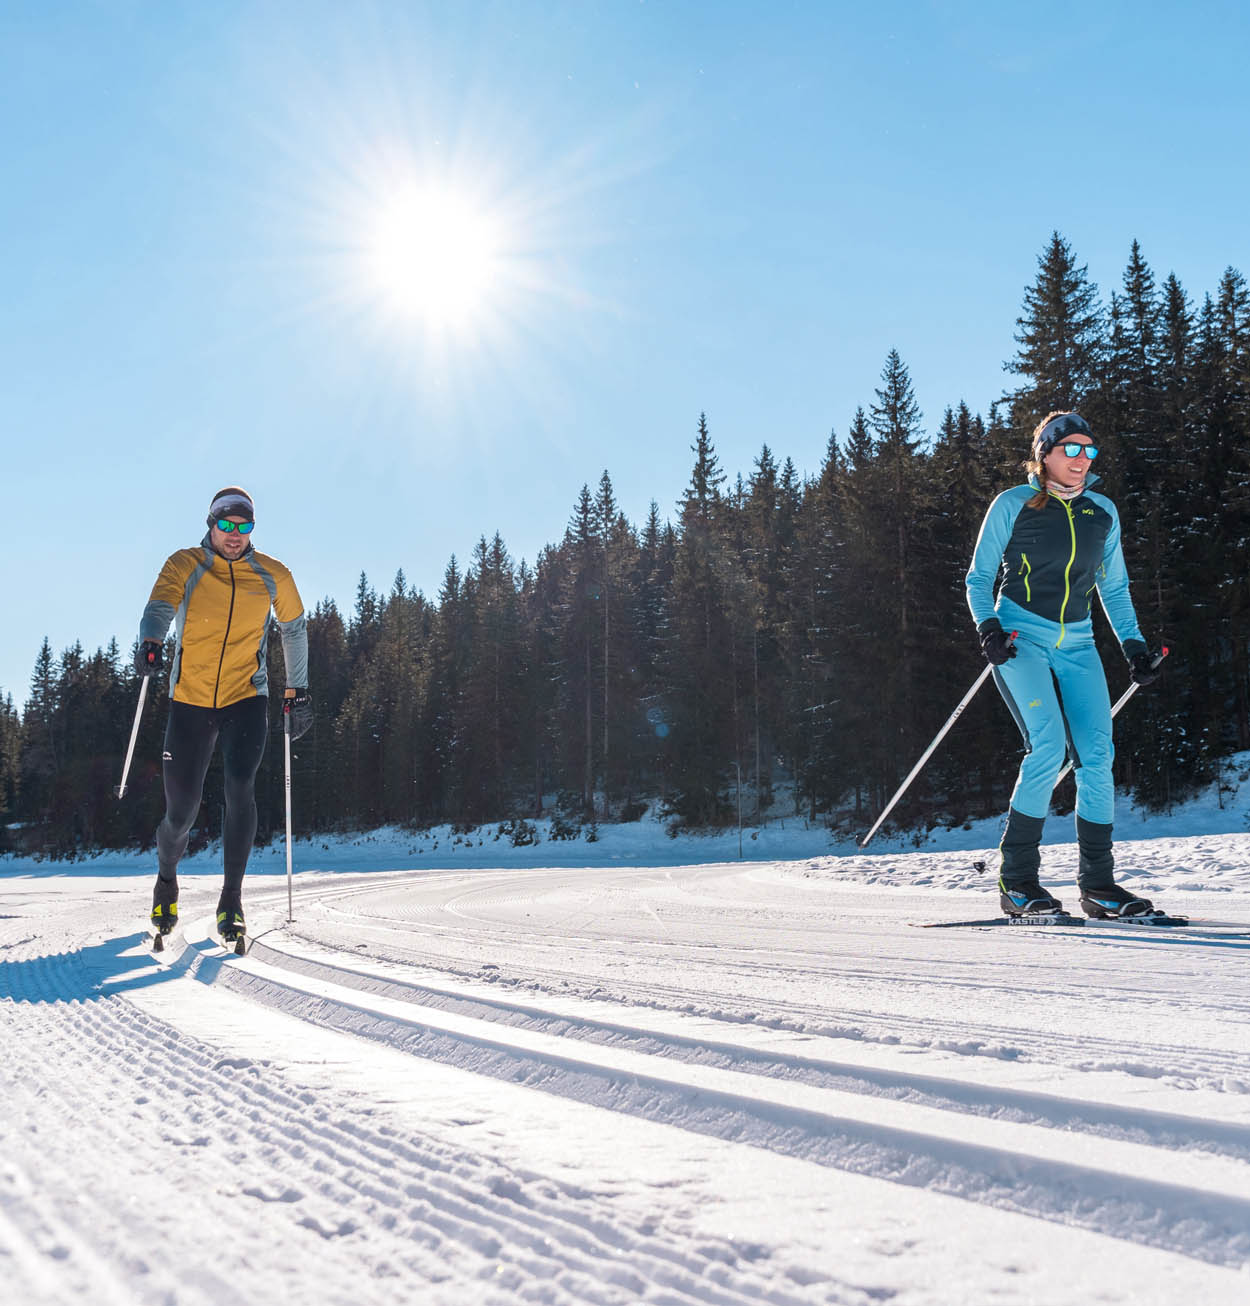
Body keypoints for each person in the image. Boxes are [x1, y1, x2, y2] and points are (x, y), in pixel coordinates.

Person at [965, 412, 1162, 919]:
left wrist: (1134, 647)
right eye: (1071, 449)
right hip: (1018, 635)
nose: (1081, 460)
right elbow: (979, 576)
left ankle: (1098, 886)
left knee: (1097, 755)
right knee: (1048, 746)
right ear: (1045, 453)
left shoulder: (1102, 511)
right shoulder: (1012, 504)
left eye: (1089, 451)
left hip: (1078, 642)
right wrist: (988, 628)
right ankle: (1017, 882)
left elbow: (1113, 588)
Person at [136, 486, 312, 941]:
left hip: (245, 697)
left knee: (240, 785)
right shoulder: (185, 564)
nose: (234, 535)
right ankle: (166, 879)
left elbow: (293, 627)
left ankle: (231, 900)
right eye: (226, 525)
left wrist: (298, 688)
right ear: (211, 525)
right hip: (190, 700)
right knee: (182, 812)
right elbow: (160, 605)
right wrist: (152, 640)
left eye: (244, 526)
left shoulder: (272, 574)